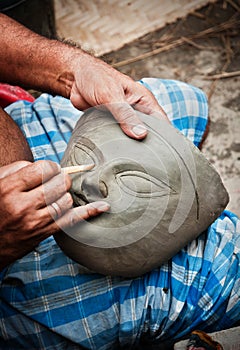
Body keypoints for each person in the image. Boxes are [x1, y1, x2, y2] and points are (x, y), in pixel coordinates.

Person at [0, 13, 239, 350]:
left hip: (27, 139)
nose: (87, 181)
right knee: (229, 268)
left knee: (183, 100)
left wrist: (72, 68)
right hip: (9, 267)